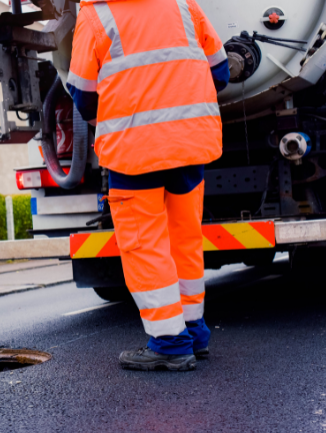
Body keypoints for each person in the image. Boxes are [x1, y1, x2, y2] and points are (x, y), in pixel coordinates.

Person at [66, 0, 230, 371]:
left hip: (133, 150)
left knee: (145, 244)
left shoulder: (95, 16)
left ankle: (170, 343)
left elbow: (83, 97)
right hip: (190, 144)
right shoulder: (184, 6)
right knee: (185, 239)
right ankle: (193, 331)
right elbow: (220, 73)